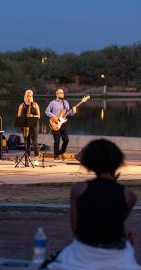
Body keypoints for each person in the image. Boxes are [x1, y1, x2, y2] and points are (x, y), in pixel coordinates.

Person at [47, 139, 140, 270]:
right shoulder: (129, 195)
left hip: (83, 253)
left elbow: (76, 230)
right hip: (116, 257)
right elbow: (113, 221)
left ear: (90, 163)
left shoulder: (78, 190)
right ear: (117, 162)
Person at [45, 88, 76, 162]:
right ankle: (56, 156)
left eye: (62, 93)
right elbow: (47, 112)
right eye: (60, 93)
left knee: (66, 139)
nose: (62, 94)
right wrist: (55, 117)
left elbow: (68, 114)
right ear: (56, 94)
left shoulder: (66, 103)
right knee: (57, 140)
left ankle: (61, 152)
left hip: (63, 123)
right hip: (54, 123)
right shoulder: (52, 103)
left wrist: (73, 112)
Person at [17, 89, 41, 166]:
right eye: (27, 96)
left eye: (30, 96)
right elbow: (18, 116)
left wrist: (32, 116)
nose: (29, 97)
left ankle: (36, 159)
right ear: (25, 96)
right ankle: (28, 158)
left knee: (34, 141)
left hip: (34, 124)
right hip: (25, 125)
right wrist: (23, 118)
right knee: (26, 142)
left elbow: (39, 116)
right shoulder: (21, 105)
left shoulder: (35, 104)